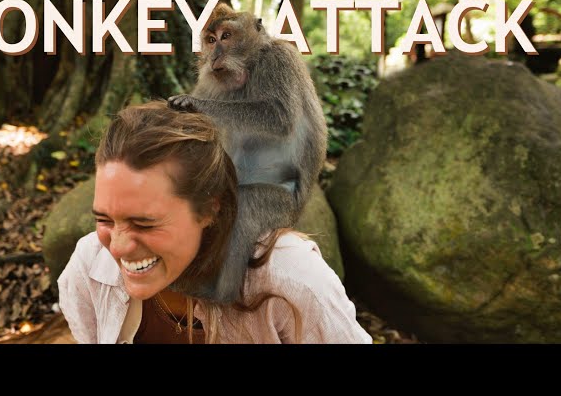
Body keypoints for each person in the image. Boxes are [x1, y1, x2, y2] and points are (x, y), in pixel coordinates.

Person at [57, 100, 372, 344]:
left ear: (210, 209)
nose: (119, 246)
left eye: (144, 223)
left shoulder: (294, 280)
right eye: (105, 219)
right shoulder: (88, 267)